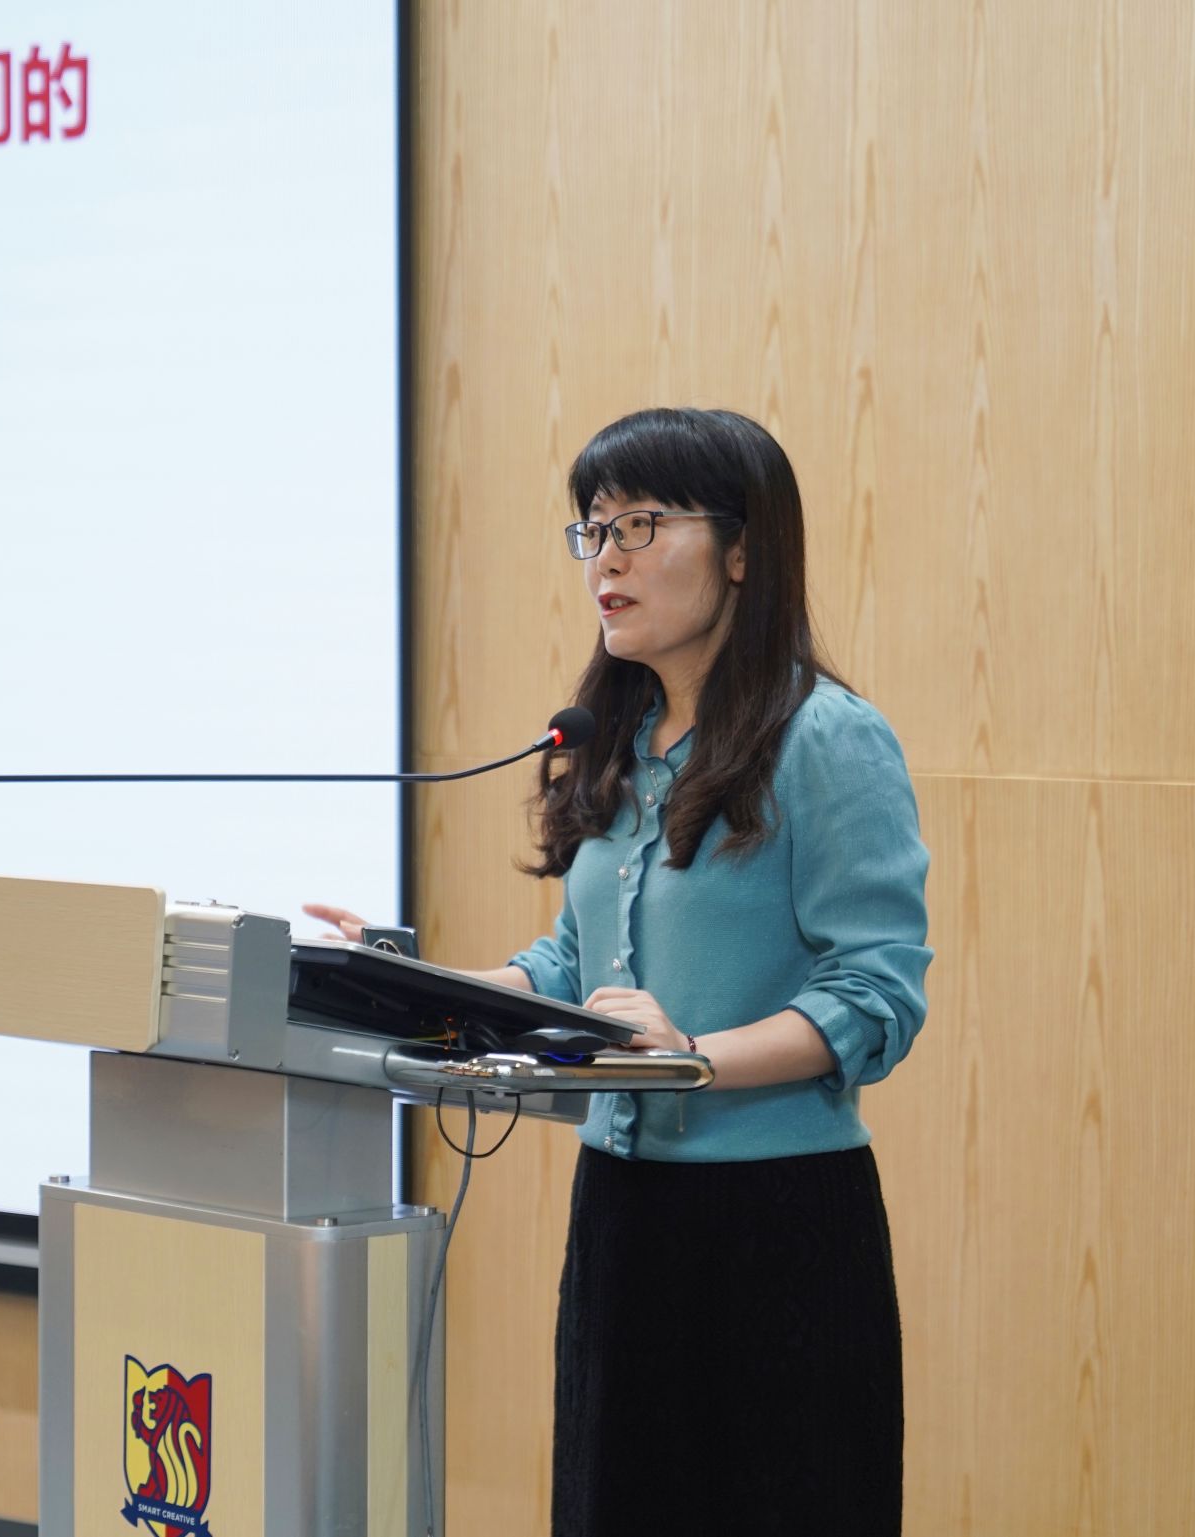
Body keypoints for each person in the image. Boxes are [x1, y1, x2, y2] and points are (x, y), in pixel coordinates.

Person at [306, 406, 930, 1535]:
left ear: (741, 550)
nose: (606, 558)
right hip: (622, 1213)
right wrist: (409, 986)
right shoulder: (611, 739)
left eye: (640, 524)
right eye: (591, 529)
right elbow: (571, 964)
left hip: (775, 1226)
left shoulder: (828, 738)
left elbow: (874, 994)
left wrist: (692, 1056)